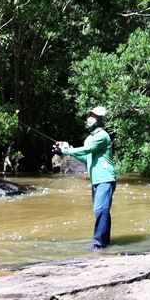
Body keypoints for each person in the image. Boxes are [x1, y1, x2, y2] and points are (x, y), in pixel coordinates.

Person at [53, 106, 117, 249]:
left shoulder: (102, 136)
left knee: (101, 211)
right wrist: (68, 150)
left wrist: (65, 150)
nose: (90, 117)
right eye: (90, 114)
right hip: (96, 180)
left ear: (100, 119)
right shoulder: (90, 138)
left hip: (106, 179)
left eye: (94, 116)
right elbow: (86, 157)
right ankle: (105, 242)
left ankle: (99, 244)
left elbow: (86, 149)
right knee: (100, 211)